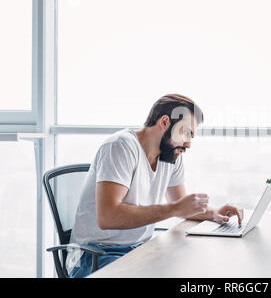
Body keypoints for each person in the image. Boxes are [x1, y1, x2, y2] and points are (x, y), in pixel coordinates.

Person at [67, 94, 243, 278]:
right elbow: (108, 217)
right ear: (165, 122)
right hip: (94, 255)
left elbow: (181, 206)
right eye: (185, 132)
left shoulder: (171, 155)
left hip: (139, 249)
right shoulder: (120, 147)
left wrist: (214, 213)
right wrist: (174, 209)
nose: (188, 143)